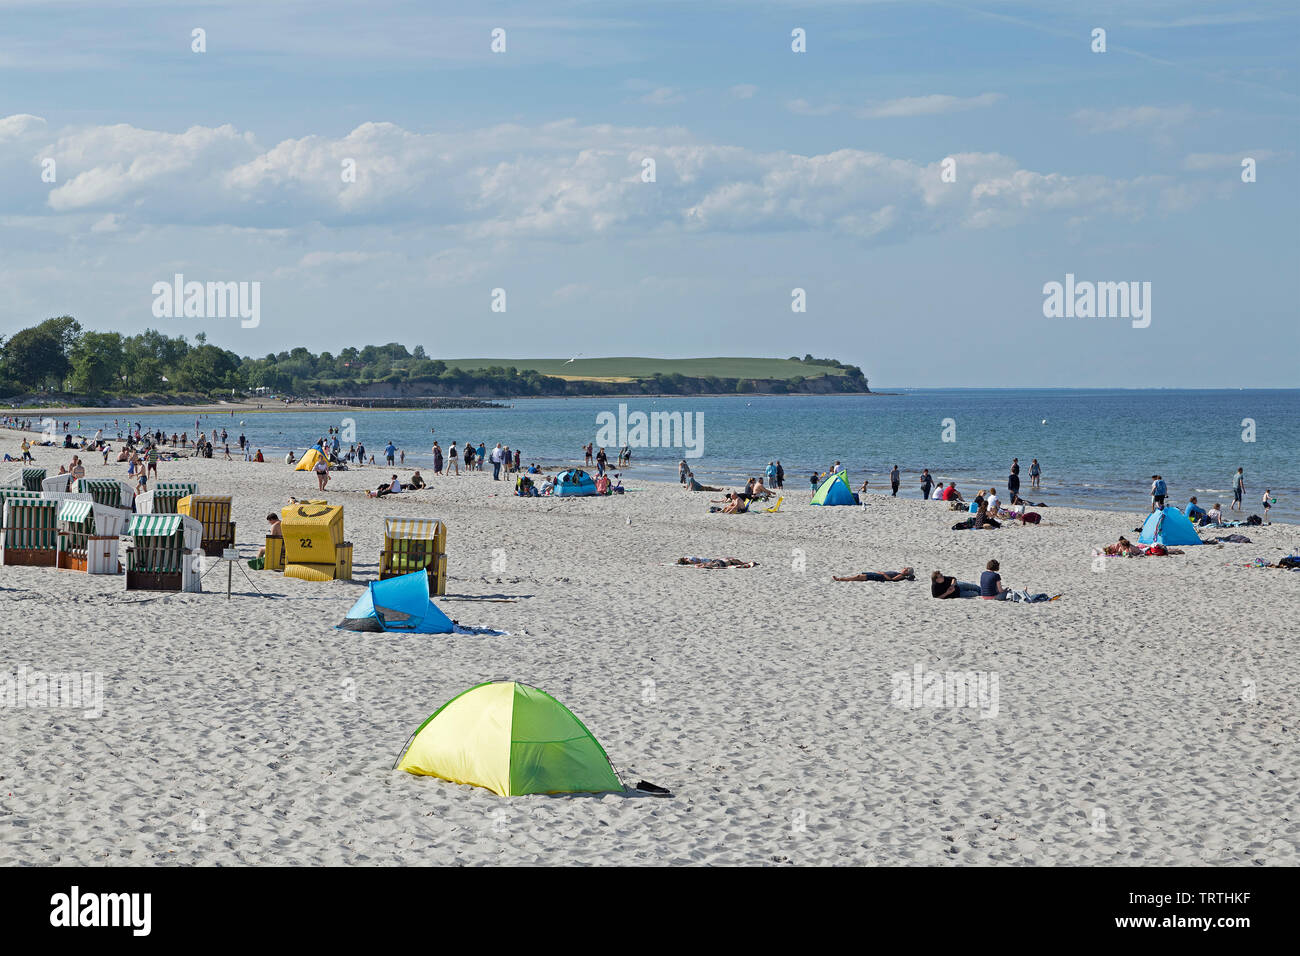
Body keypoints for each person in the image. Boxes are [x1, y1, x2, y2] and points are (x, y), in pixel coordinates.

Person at [833, 567, 915, 582]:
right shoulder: (900, 574)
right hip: (879, 574)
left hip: (879, 577)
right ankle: (842, 579)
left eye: (905, 568)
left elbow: (891, 580)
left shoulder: (901, 575)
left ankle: (840, 579)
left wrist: (882, 573)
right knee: (860, 576)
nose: (903, 568)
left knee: (859, 577)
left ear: (907, 571)